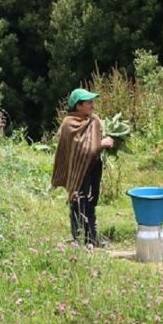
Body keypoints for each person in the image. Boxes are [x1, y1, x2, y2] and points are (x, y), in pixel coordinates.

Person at [50, 87, 115, 247]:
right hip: (77, 170)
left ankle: (92, 239)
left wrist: (107, 141)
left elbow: (92, 144)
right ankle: (78, 239)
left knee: (90, 202)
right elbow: (82, 148)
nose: (92, 105)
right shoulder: (68, 124)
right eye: (89, 102)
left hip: (92, 168)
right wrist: (101, 144)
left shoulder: (94, 120)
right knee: (78, 202)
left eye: (92, 102)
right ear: (78, 105)